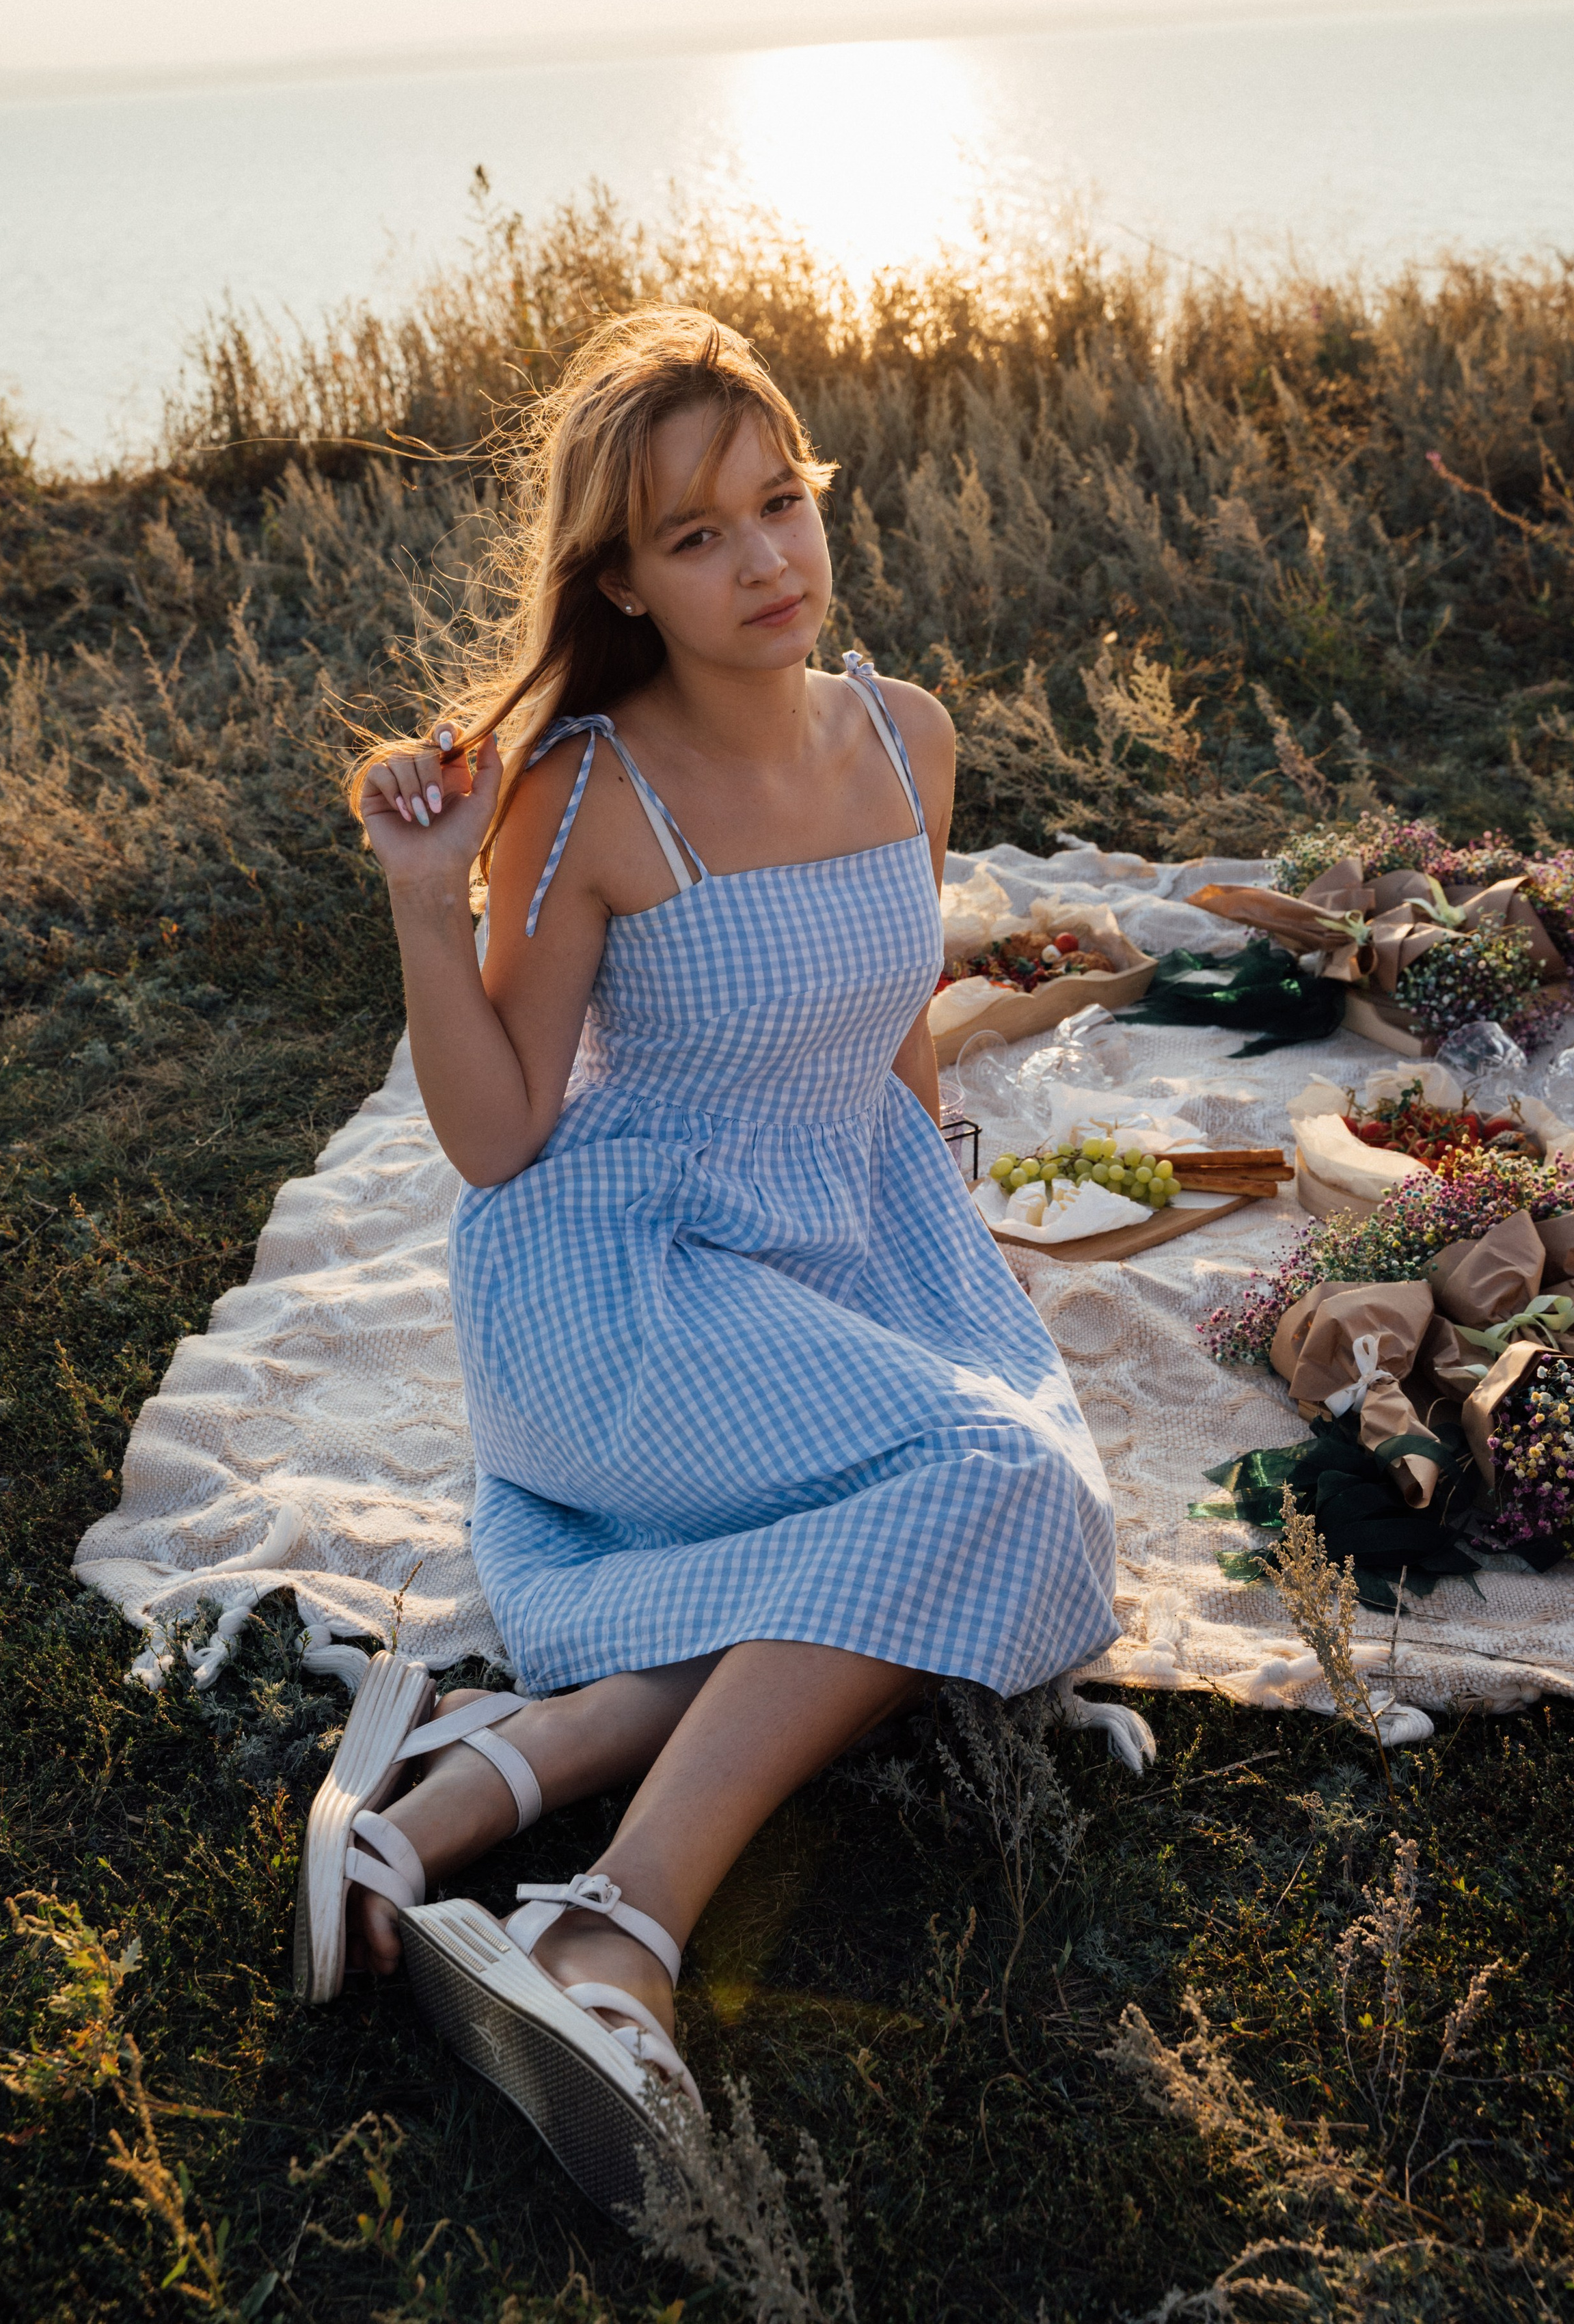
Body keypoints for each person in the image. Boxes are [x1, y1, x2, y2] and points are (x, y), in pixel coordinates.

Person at [295, 307, 1117, 2219]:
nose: (764, 562)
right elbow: (500, 1138)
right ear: (623, 581)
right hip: (618, 1286)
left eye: (781, 502)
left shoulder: (906, 737)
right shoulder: (587, 791)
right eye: (696, 536)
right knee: (996, 1493)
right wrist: (432, 902)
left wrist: (947, 1244)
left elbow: (890, 1026)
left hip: (834, 1244)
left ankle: (488, 1776)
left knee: (1023, 1520)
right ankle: (612, 1931)